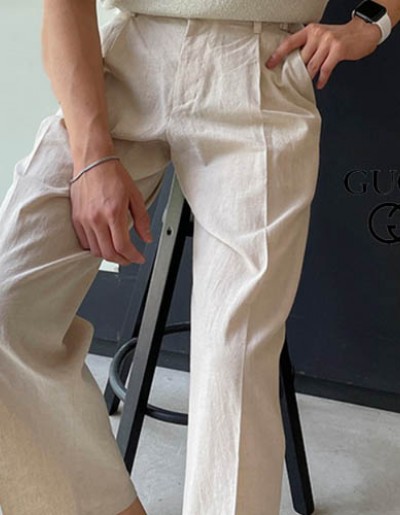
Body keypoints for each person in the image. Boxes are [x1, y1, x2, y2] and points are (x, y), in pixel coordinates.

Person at [0, 1, 399, 514]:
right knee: (7, 310)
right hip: (126, 63)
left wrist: (372, 22)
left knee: (236, 357)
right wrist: (91, 156)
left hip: (261, 64)